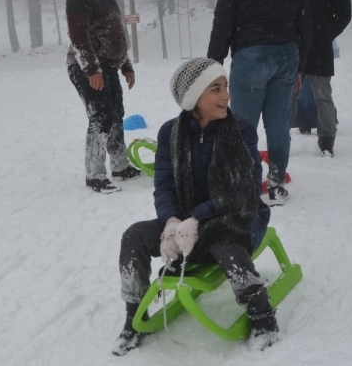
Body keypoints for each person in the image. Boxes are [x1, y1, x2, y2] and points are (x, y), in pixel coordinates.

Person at [112, 58, 276, 355]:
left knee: (222, 239)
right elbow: (164, 186)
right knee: (133, 236)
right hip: (186, 222)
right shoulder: (169, 134)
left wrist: (198, 218)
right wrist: (172, 222)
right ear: (193, 98)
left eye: (225, 86)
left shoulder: (241, 131)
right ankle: (133, 318)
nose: (226, 95)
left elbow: (245, 191)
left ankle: (263, 318)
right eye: (215, 88)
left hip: (238, 218)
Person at [207, 0, 312, 205]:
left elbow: (222, 26)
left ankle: (245, 184)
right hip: (286, 56)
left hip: (250, 56)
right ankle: (277, 183)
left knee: (243, 124)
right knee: (278, 124)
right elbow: (305, 25)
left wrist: (213, 67)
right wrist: (300, 65)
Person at [66, 0, 141, 194]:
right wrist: (91, 69)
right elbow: (79, 37)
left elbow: (114, 34)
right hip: (86, 66)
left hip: (108, 65)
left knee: (116, 114)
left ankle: (120, 166)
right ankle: (95, 175)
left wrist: (126, 65)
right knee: (100, 117)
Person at [288, 0, 352, 157]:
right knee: (289, 95)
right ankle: (280, 138)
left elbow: (343, 14)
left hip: (320, 48)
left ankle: (326, 141)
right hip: (294, 49)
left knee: (323, 96)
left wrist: (324, 35)